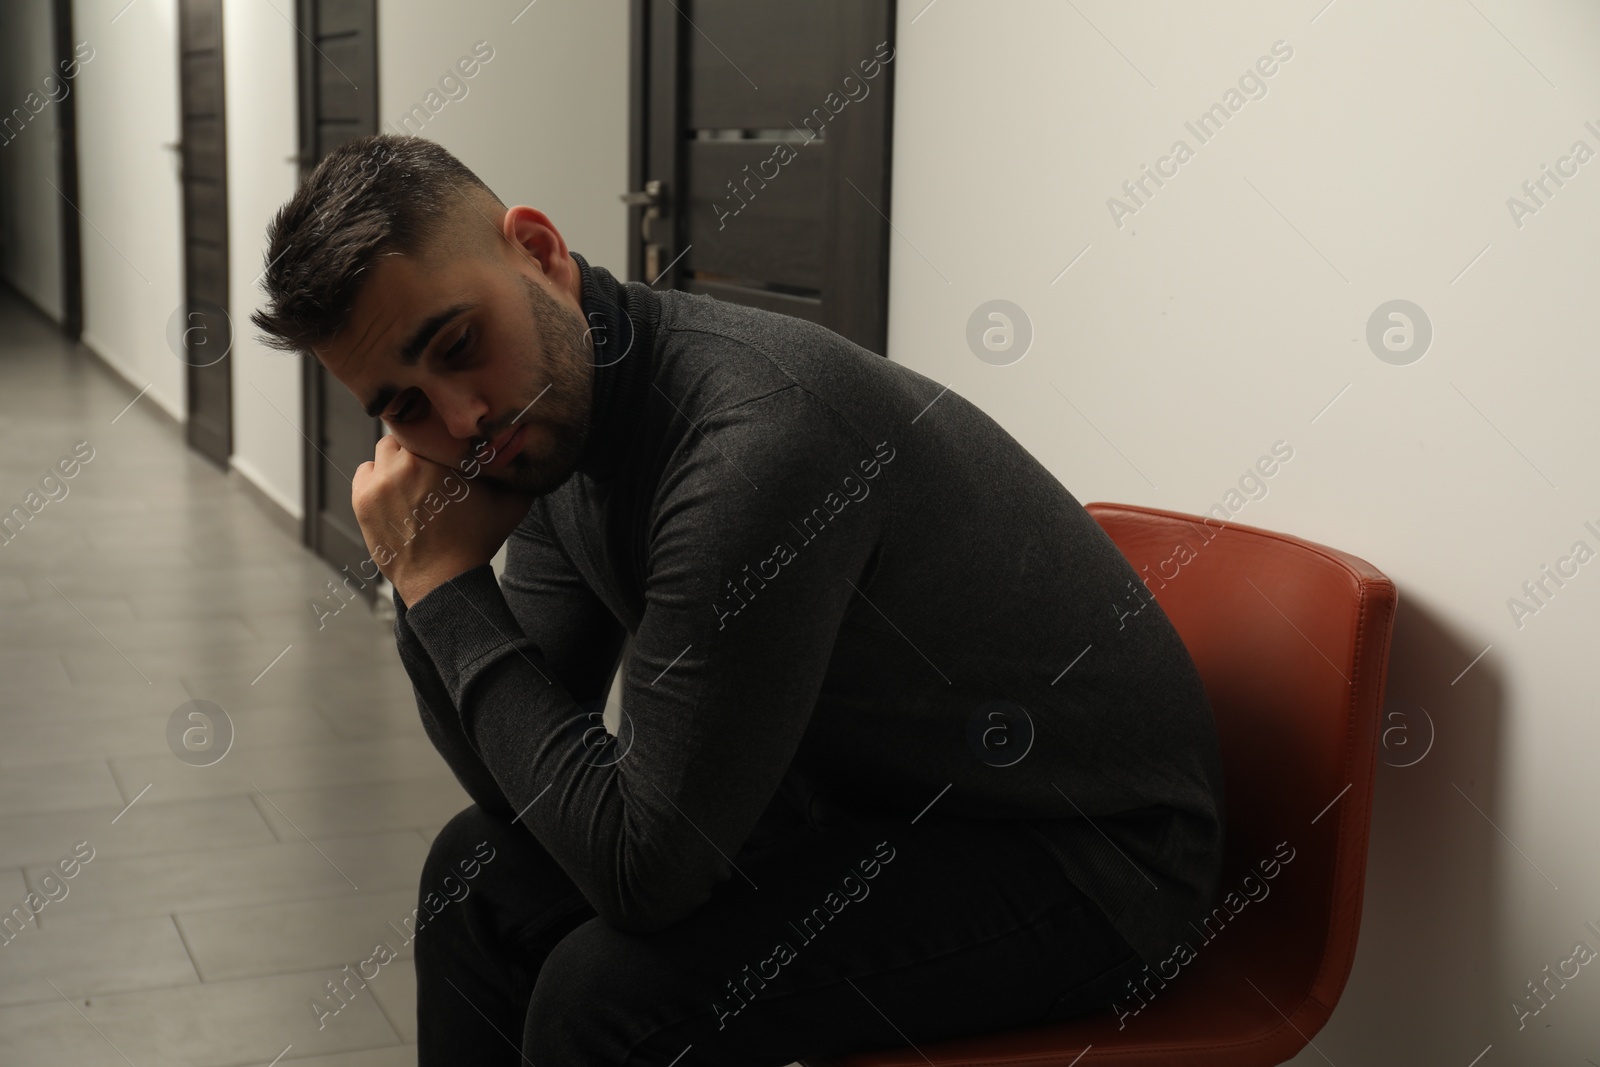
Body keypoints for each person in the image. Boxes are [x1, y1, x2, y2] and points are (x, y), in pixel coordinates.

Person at [250, 133, 1226, 1066]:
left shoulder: (751, 446)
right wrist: (433, 593)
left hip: (1086, 858)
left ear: (540, 253)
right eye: (406, 406)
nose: (463, 418)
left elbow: (642, 872)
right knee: (476, 880)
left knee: (605, 998)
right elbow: (519, 795)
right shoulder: (550, 429)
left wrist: (438, 585)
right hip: (867, 803)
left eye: (461, 343)